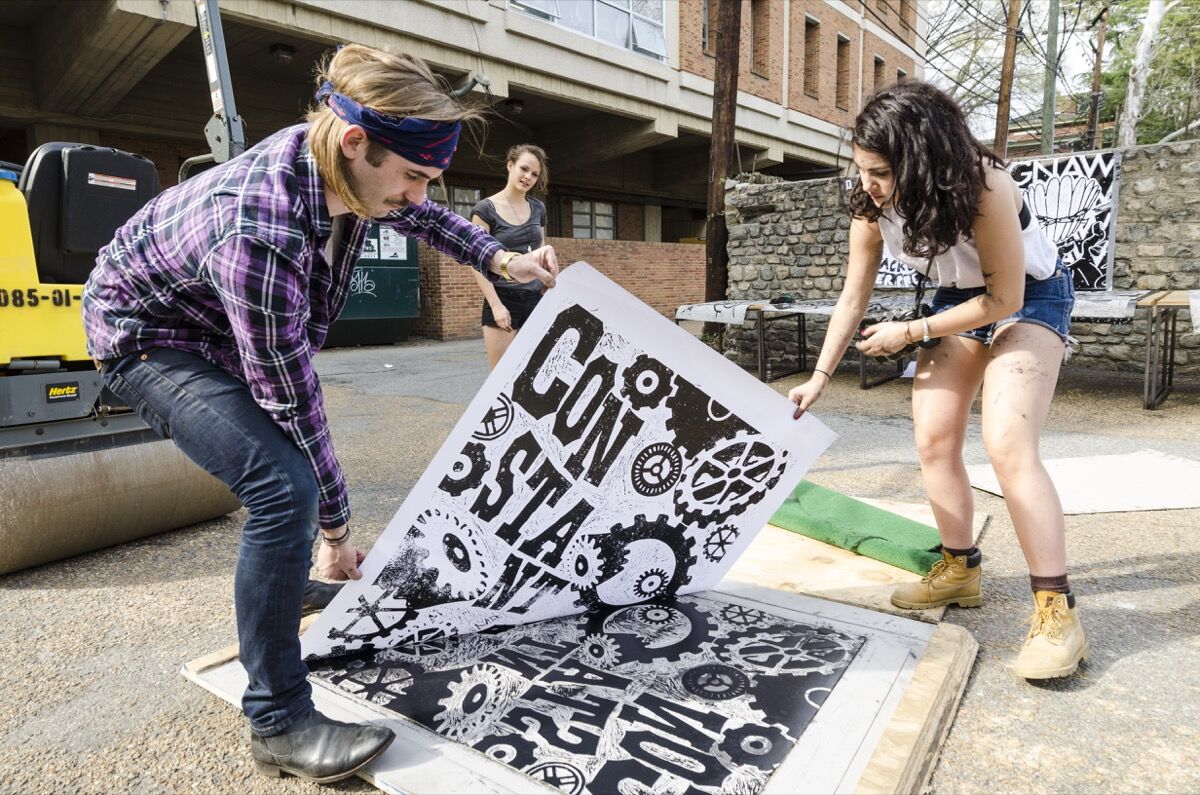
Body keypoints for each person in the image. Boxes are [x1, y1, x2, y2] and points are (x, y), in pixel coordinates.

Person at [82, 44, 558, 782]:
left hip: (206, 319)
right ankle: (276, 720)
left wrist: (502, 261)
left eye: (428, 180)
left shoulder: (346, 168)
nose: (415, 196)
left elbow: (425, 217)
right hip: (146, 338)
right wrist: (336, 531)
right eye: (410, 177)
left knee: (288, 477)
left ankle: (286, 585)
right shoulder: (261, 231)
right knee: (285, 486)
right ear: (355, 141)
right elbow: (293, 400)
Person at [789, 81, 1087, 680]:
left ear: (919, 159)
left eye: (878, 171)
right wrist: (819, 375)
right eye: (860, 170)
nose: (866, 185)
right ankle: (960, 567)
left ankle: (1057, 612)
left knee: (1007, 442)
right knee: (933, 437)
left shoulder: (984, 185)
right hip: (957, 300)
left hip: (1029, 297)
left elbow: (1005, 296)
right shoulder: (871, 205)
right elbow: (853, 297)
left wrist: (912, 331)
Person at [469, 144, 549, 369]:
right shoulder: (485, 209)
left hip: (535, 299)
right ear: (510, 165)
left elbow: (541, 248)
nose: (528, 177)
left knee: (533, 373)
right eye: (524, 169)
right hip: (503, 297)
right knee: (500, 379)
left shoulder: (538, 208)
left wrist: (545, 283)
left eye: (534, 174)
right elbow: (477, 262)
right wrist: (496, 306)